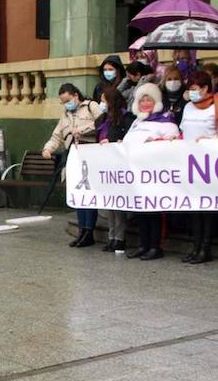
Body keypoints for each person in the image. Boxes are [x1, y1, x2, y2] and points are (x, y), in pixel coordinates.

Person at [174, 69, 218, 263]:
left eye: (195, 88)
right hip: (189, 162)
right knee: (193, 208)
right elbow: (183, 131)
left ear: (206, 88)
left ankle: (205, 248)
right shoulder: (189, 107)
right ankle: (195, 245)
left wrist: (209, 140)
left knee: (206, 208)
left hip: (208, 163)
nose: (192, 92)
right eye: (190, 89)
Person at [42, 83, 103, 248]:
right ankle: (82, 230)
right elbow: (57, 136)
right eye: (63, 102)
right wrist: (48, 148)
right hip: (73, 157)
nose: (67, 104)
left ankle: (89, 231)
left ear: (76, 95)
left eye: (68, 100)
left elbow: (103, 122)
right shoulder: (66, 115)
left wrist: (82, 129)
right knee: (78, 195)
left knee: (89, 196)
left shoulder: (91, 106)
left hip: (90, 154)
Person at [124, 81, 179, 260]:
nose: (145, 104)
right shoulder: (137, 122)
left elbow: (174, 140)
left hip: (156, 174)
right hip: (137, 173)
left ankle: (155, 246)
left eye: (149, 100)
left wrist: (156, 141)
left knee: (154, 211)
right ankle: (143, 244)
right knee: (141, 211)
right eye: (142, 101)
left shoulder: (166, 119)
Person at [97, 83, 132, 253]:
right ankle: (111, 236)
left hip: (119, 167)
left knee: (118, 206)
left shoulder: (125, 118)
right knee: (109, 205)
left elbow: (127, 139)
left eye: (103, 100)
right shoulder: (103, 119)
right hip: (105, 167)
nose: (101, 103)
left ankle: (120, 238)